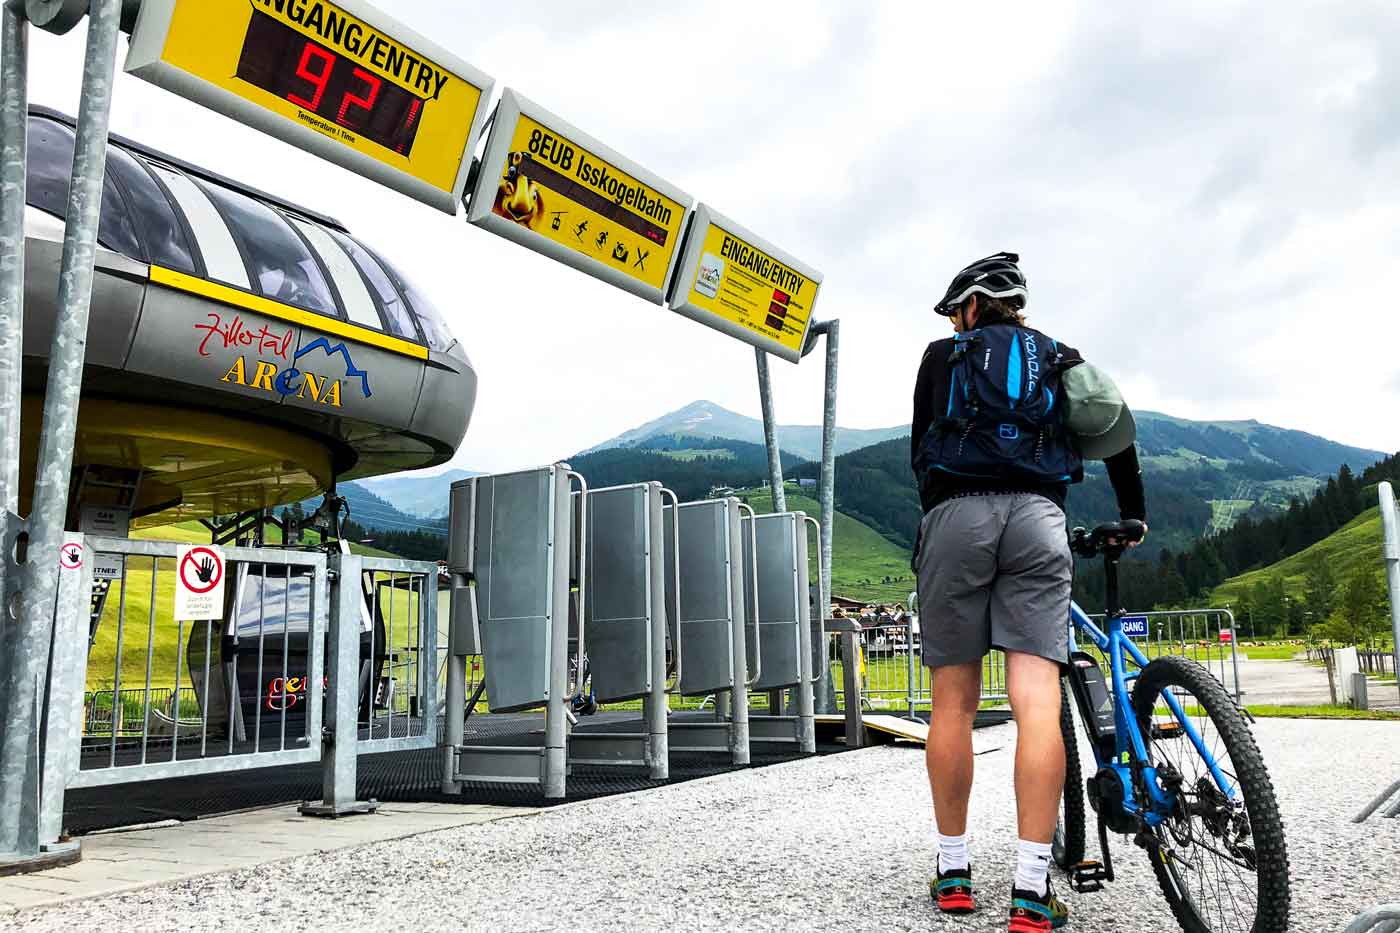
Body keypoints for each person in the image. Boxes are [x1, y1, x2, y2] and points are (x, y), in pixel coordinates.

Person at [910, 252, 1146, 931]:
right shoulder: (1060, 357)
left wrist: (945, 516)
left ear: (974, 306)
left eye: (959, 310)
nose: (957, 321)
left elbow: (920, 447)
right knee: (1037, 703)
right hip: (1040, 520)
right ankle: (1030, 891)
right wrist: (1133, 510)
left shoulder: (941, 356)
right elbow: (1116, 429)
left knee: (951, 703)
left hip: (956, 515)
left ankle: (954, 873)